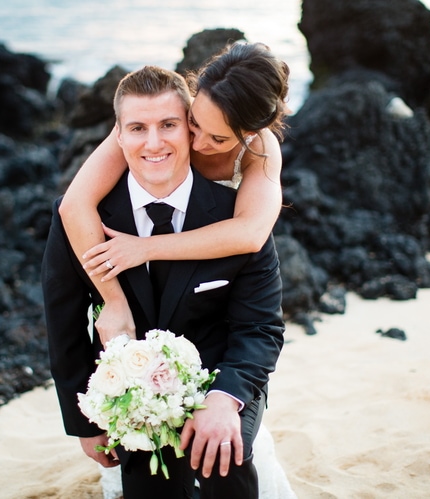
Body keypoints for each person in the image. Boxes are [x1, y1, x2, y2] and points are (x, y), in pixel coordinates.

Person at [42, 65, 284, 499]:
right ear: (118, 136)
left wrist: (226, 396)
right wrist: (83, 423)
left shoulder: (243, 199)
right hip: (132, 392)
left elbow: (260, 326)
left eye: (171, 125)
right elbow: (63, 324)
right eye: (137, 128)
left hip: (220, 373)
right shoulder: (83, 219)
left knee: (222, 459)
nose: (155, 143)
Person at [58, 42, 290, 347]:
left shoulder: (259, 148)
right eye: (194, 123)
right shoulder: (158, 124)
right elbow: (73, 205)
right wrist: (113, 299)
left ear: (247, 134)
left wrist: (145, 248)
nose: (196, 144)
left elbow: (250, 233)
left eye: (218, 139)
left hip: (211, 279)